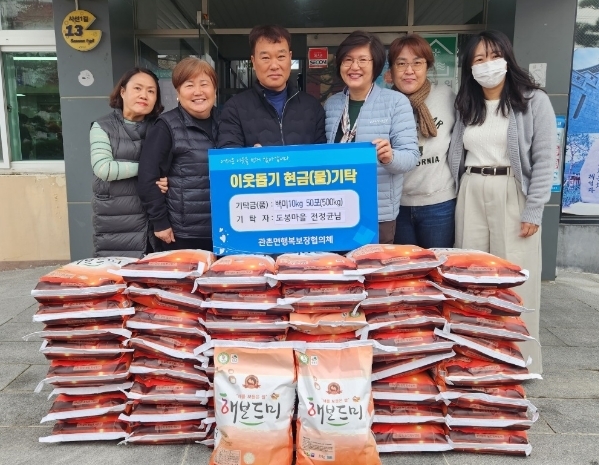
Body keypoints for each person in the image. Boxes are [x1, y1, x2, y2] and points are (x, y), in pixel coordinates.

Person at [449, 30, 556, 374]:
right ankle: (475, 358)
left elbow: (545, 159)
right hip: (471, 189)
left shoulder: (533, 100)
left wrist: (534, 209)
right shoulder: (467, 105)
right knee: (472, 278)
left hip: (512, 190)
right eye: (479, 59)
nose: (487, 64)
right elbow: (456, 153)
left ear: (508, 58)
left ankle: (520, 361)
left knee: (516, 278)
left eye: (494, 56)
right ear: (469, 67)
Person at [324, 30, 420, 244]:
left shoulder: (396, 102)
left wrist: (389, 157)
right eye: (348, 60)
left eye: (362, 60)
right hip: (337, 209)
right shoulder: (332, 104)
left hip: (377, 213)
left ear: (375, 65)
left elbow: (411, 157)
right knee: (338, 264)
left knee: (372, 263)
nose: (354, 66)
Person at [137, 57, 218, 251]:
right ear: (178, 92)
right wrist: (160, 222)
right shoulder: (166, 126)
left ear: (215, 89)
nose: (198, 92)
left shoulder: (228, 122)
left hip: (227, 228)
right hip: (183, 234)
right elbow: (148, 177)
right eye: (189, 85)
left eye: (204, 84)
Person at [388, 34, 457, 248]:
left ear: (428, 66)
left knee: (439, 264)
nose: (409, 71)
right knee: (404, 267)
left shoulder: (447, 97)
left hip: (439, 204)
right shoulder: (384, 103)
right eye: (401, 63)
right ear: (391, 70)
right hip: (397, 206)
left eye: (417, 63)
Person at [90, 68, 164, 257]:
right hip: (115, 217)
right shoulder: (102, 126)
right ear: (122, 92)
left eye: (151, 91)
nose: (144, 95)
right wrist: (149, 170)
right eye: (137, 88)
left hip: (153, 217)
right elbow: (104, 168)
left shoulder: (162, 126)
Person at [217, 24, 325, 148]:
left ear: (290, 58)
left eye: (281, 57)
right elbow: (228, 155)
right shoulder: (234, 109)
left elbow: (324, 155)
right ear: (253, 62)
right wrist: (250, 157)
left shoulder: (312, 107)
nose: (274, 66)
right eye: (265, 58)